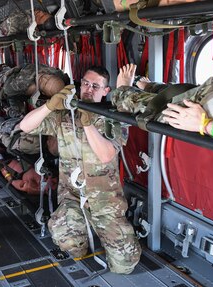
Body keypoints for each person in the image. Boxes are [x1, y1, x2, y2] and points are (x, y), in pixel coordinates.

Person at [19, 66, 142, 274]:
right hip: (73, 197)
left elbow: (106, 155)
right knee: (68, 242)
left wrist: (87, 123)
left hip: (106, 202)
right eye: (85, 83)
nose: (89, 89)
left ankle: (105, 232)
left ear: (106, 91)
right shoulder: (64, 115)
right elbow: (25, 126)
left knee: (125, 266)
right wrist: (49, 106)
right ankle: (81, 236)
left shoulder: (114, 118)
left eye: (96, 86)